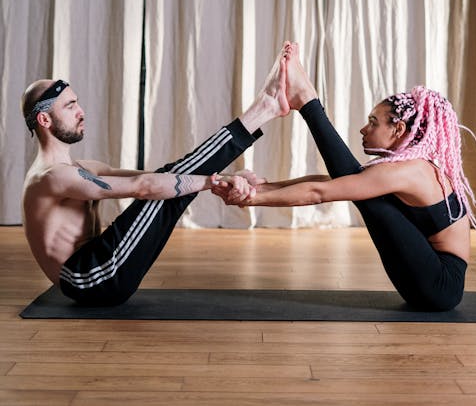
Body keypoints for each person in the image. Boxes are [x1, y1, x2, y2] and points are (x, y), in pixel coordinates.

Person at [213, 42, 476, 312]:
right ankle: (306, 100)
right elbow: (331, 183)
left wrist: (252, 200)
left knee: (364, 195)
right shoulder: (407, 169)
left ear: (398, 129)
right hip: (428, 282)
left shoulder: (411, 171)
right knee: (358, 188)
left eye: (374, 122)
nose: (364, 129)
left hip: (439, 287)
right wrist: (263, 188)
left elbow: (319, 193)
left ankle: (307, 101)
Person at [21, 47, 289, 306]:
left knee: (170, 182)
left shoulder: (81, 168)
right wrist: (212, 181)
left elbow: (160, 178)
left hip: (98, 271)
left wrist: (223, 176)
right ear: (45, 120)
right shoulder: (50, 177)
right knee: (163, 188)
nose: (81, 112)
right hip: (91, 279)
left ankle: (265, 109)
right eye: (70, 106)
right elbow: (144, 187)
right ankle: (263, 109)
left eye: (77, 103)